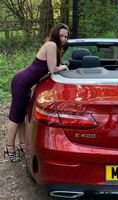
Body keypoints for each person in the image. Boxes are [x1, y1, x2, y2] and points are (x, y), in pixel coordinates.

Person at [4, 23, 70, 162]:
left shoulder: (54, 46)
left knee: (21, 116)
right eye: (61, 35)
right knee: (15, 117)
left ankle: (22, 144)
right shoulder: (51, 45)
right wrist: (64, 66)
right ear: (56, 33)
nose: (63, 38)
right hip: (21, 82)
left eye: (66, 36)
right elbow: (52, 69)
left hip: (26, 83)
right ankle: (9, 147)